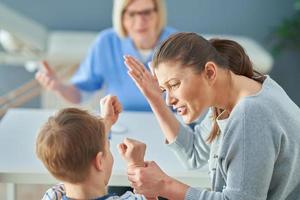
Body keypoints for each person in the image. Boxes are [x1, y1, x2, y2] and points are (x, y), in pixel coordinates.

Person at [123, 32, 300, 199]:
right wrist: (155, 99)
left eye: (174, 84)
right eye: (164, 90)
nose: (168, 100)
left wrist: (165, 185)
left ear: (209, 72)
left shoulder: (250, 115)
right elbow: (193, 153)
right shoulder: (240, 93)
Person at [35, 0, 176, 111]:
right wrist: (59, 87)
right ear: (121, 17)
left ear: (158, 14)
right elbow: (80, 94)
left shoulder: (176, 44)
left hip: (169, 126)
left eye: (146, 12)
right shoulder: (107, 42)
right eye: (131, 14)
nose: (140, 21)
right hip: (121, 125)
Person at [36, 95, 151, 200]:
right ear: (99, 161)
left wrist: (105, 122)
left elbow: (68, 156)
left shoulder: (52, 196)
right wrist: (136, 166)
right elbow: (149, 194)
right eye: (108, 146)